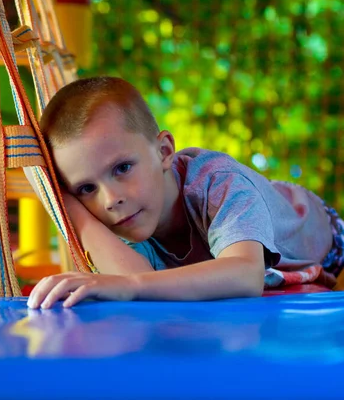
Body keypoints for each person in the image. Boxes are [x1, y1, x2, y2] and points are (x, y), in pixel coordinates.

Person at [26, 76, 344, 309]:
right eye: (86, 188)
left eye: (122, 168)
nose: (110, 199)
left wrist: (129, 285)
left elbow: (245, 274)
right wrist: (69, 208)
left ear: (164, 150)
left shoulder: (216, 183)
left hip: (323, 241)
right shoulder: (119, 215)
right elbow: (136, 284)